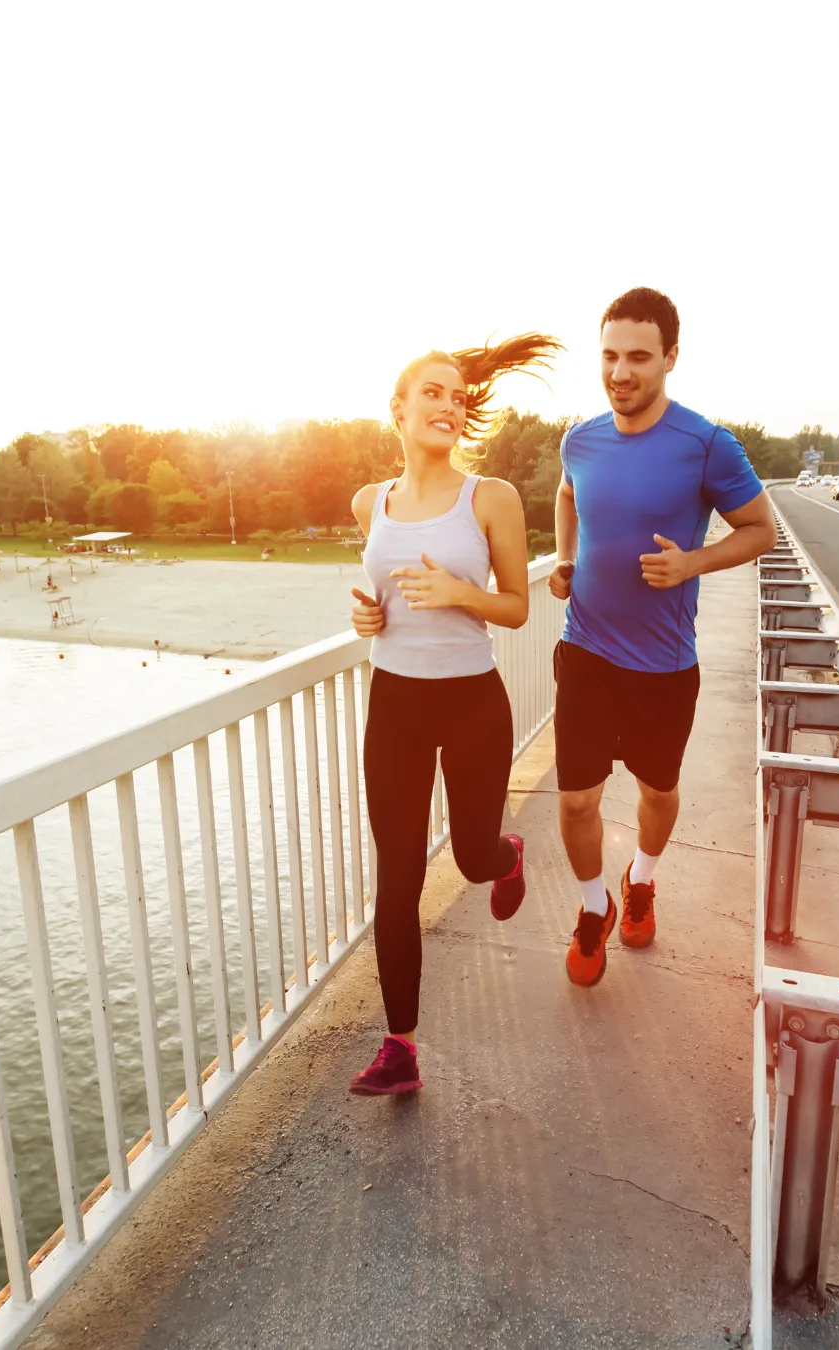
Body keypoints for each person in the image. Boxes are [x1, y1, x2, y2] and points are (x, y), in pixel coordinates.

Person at [348, 333, 563, 1095]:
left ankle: (506, 856)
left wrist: (460, 595)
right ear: (399, 411)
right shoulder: (370, 502)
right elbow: (381, 594)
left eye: (455, 394)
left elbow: (514, 605)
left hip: (472, 702)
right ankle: (399, 1045)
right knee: (398, 876)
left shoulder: (491, 498)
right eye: (430, 393)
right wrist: (369, 620)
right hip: (394, 704)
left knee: (469, 859)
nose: (447, 403)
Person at [549, 287, 776, 986]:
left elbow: (760, 529)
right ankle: (595, 908)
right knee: (576, 800)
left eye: (639, 357)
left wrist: (692, 563)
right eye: (611, 356)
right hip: (583, 650)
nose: (621, 372)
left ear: (670, 358)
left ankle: (642, 876)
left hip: (662, 667)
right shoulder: (579, 439)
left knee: (656, 790)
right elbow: (566, 494)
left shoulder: (705, 444)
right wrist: (564, 558)